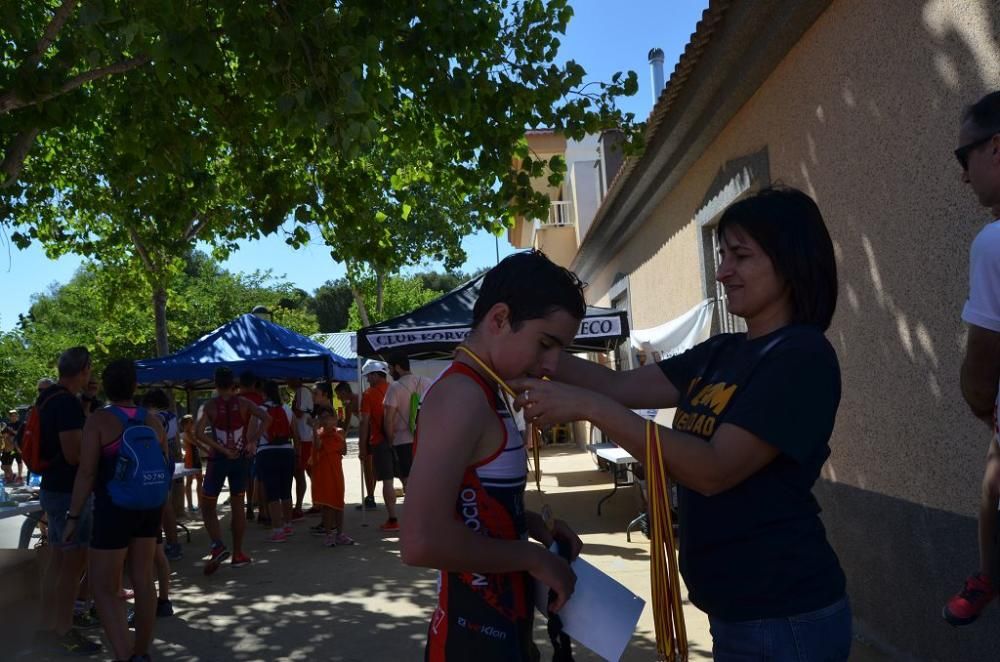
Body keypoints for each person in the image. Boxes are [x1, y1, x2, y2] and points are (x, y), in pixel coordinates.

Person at [512, 190, 851, 660]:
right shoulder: (721, 352)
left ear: (790, 262)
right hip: (736, 609)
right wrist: (533, 349)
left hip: (782, 613)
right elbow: (621, 387)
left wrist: (588, 407)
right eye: (721, 255)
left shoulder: (801, 357)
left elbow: (712, 470)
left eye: (740, 255)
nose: (722, 271)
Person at [400, 250, 585, 659]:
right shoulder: (460, 396)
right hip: (471, 639)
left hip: (503, 628)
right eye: (545, 343)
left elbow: (475, 506)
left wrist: (534, 526)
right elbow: (419, 542)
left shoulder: (487, 389)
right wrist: (530, 556)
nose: (552, 364)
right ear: (499, 319)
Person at [65, 359, 168, 662]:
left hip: (114, 509)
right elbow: (162, 463)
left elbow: (86, 473)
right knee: (143, 579)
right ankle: (142, 652)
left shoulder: (99, 420)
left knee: (104, 586)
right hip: (149, 507)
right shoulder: (153, 420)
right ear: (135, 386)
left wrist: (73, 516)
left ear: (106, 388)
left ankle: (125, 656)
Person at [943, 91, 1000, 626]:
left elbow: (983, 359)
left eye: (965, 158)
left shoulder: (993, 243)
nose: (963, 176)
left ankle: (988, 576)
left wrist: (983, 406)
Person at [35, 347, 103, 655]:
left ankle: (48, 625)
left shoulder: (49, 398)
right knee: (71, 564)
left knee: (58, 562)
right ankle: (64, 630)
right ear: (85, 369)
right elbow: (75, 454)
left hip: (53, 488)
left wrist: (86, 401)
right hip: (68, 492)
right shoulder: (66, 404)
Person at [195, 367, 270, 574]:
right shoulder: (245, 403)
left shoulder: (209, 405)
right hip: (240, 458)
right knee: (238, 504)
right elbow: (267, 418)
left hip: (218, 459)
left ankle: (217, 544)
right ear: (233, 383)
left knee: (208, 505)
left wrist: (219, 448)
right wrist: (252, 441)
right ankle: (238, 554)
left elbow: (197, 433)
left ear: (215, 383)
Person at [141, 389, 183, 562]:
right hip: (167, 461)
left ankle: (169, 544)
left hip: (157, 462)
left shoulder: (157, 417)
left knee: (162, 506)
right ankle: (171, 544)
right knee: (165, 504)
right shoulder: (171, 416)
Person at [310, 382, 353, 546]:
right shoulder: (319, 435)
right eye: (323, 418)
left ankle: (340, 533)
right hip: (324, 474)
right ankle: (329, 534)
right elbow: (318, 447)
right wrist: (315, 431)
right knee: (327, 505)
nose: (327, 420)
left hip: (336, 473)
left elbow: (344, 451)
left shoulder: (339, 433)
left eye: (330, 417)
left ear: (335, 418)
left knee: (339, 504)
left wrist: (342, 440)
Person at [383, 353, 433, 495]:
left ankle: (413, 512)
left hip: (403, 441)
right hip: (426, 438)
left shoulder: (394, 388)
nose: (389, 372)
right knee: (427, 478)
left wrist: (390, 441)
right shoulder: (428, 382)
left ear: (398, 367)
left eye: (390, 368)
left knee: (409, 480)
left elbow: (388, 420)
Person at [255, 381, 297, 543]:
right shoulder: (286, 408)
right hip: (287, 450)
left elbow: (252, 433)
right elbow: (294, 432)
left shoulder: (259, 410)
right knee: (286, 490)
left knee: (272, 492)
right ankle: (288, 525)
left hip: (266, 451)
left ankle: (277, 530)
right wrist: (297, 452)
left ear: (263, 393)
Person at [358, 360, 396, 531]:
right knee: (407, 480)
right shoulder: (396, 388)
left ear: (375, 375)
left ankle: (393, 519)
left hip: (380, 442)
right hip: (402, 439)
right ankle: (415, 517)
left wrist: (362, 448)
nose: (367, 379)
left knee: (387, 482)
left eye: (368, 376)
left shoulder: (368, 395)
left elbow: (364, 423)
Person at [338, 381, 375, 511]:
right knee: (370, 466)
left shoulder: (356, 401)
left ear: (344, 392)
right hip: (371, 429)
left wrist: (341, 437)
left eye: (339, 395)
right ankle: (370, 496)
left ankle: (370, 497)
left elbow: (346, 426)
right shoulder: (358, 398)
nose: (338, 399)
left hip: (368, 430)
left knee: (367, 465)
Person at [239, 371, 265, 521]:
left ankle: (245, 507)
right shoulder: (260, 399)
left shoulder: (235, 400)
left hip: (237, 443)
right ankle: (260, 509)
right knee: (258, 478)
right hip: (257, 442)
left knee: (240, 478)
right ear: (254, 384)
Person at [289, 378, 315, 519]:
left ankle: (298, 507)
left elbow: (298, 413)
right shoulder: (304, 391)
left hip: (304, 438)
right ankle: (318, 503)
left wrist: (291, 408)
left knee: (299, 472)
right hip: (306, 436)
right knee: (310, 472)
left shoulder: (301, 391)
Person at [180, 415, 203, 514]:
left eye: (192, 422)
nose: (192, 424)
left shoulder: (192, 433)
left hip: (196, 458)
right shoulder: (185, 434)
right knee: (189, 482)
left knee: (199, 480)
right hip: (190, 459)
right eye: (190, 422)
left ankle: (200, 504)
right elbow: (197, 443)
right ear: (185, 424)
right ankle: (189, 505)